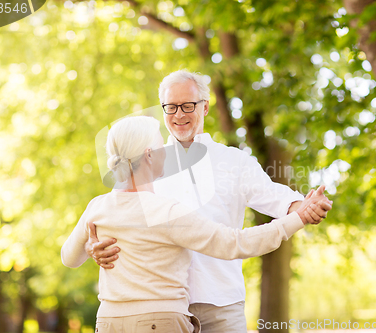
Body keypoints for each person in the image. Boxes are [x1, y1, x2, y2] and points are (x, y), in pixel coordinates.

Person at [86, 70, 332, 332]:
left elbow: (277, 199)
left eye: (188, 105)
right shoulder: (146, 164)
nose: (179, 114)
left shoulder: (234, 161)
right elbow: (117, 218)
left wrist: (306, 208)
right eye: (171, 107)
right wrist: (94, 246)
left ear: (204, 108)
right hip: (163, 308)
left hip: (223, 303)